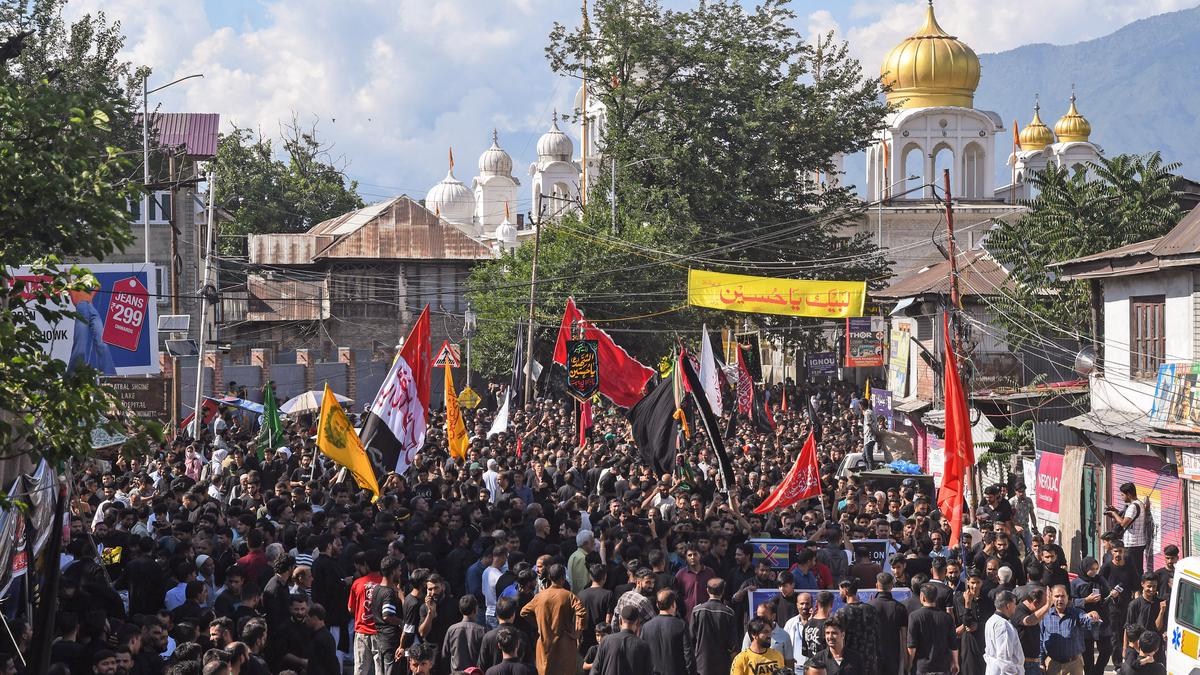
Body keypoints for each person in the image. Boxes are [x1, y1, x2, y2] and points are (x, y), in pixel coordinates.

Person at [518, 563, 587, 675]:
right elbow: (582, 612)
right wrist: (577, 632)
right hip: (565, 643)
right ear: (563, 578)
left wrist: (538, 624)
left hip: (545, 643)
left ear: (549, 577)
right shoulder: (569, 596)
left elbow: (524, 612)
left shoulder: (539, 596)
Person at [1041, 584, 1103, 675]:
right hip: (1053, 664)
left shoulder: (1077, 613)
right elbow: (1041, 640)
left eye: (1062, 596)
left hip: (1074, 665)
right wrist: (1041, 663)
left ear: (1067, 597)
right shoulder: (1045, 616)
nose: (1060, 599)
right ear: (1051, 598)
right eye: (1057, 596)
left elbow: (1087, 621)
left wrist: (1093, 617)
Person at [640, 589, 695, 675]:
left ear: (657, 605)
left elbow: (642, 655)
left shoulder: (646, 627)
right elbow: (688, 654)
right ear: (673, 604)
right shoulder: (681, 625)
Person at [691, 577, 739, 675]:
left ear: (707, 590)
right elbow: (733, 643)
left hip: (702, 662)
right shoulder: (729, 612)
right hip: (722, 663)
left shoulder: (697, 610)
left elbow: (691, 638)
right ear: (723, 591)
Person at [907, 583, 958, 675]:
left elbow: (912, 646)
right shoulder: (946, 617)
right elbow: (953, 644)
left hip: (922, 667)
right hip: (943, 667)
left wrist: (909, 664)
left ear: (922, 597)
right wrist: (955, 662)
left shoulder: (914, 617)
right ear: (936, 597)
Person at [592, 605, 653, 675]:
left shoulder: (606, 641)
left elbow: (594, 671)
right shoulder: (643, 647)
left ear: (620, 621)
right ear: (638, 622)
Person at [1105, 483, 1147, 578]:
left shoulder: (1133, 506)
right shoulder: (1139, 504)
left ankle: (1136, 589)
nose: (1122, 497)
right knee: (1136, 569)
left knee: (1133, 570)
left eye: (1122, 495)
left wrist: (1114, 514)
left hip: (1133, 545)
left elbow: (1124, 523)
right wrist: (1115, 511)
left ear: (1128, 494)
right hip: (1137, 543)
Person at [869, 573, 908, 675]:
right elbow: (904, 638)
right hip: (893, 656)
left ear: (876, 585)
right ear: (892, 586)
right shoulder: (900, 608)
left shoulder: (868, 606)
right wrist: (906, 661)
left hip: (873, 656)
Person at [443, 595, 486, 672]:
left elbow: (445, 656)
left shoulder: (451, 630)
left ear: (460, 609)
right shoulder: (481, 631)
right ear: (475, 609)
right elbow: (485, 657)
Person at [985, 591, 1024, 675]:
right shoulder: (1003, 625)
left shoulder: (991, 620)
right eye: (1014, 603)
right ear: (1008, 605)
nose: (1016, 606)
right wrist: (1014, 673)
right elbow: (1004, 657)